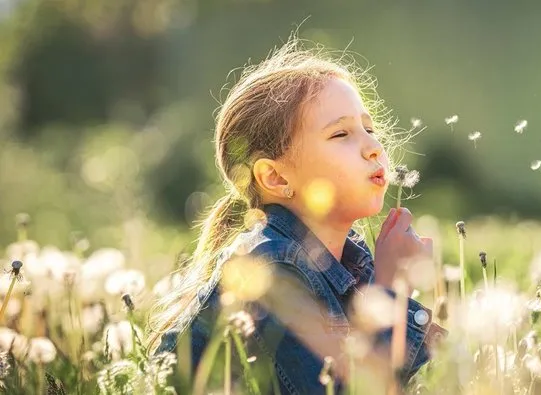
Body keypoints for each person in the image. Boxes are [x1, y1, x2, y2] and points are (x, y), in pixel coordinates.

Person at [146, 36, 446, 395]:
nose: (374, 147)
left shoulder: (348, 263)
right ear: (276, 177)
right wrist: (391, 289)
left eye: (369, 129)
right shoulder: (270, 269)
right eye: (341, 134)